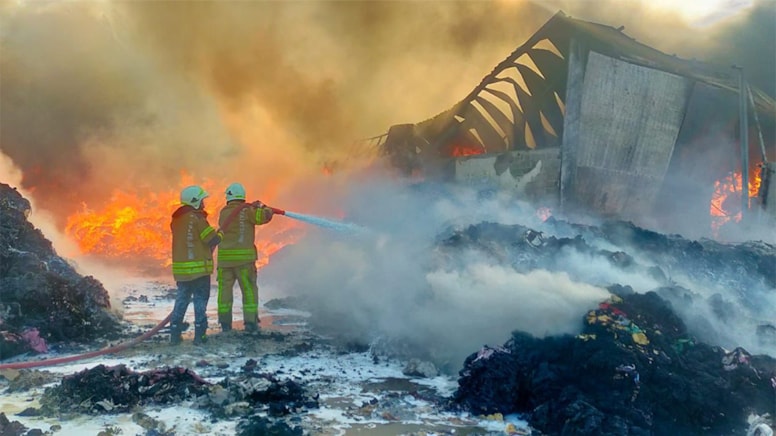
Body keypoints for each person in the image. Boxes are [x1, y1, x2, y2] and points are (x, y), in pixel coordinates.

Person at [216, 182, 273, 333]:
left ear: (228, 197)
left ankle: (225, 324)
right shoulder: (247, 211)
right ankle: (250, 322)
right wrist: (263, 207)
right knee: (248, 290)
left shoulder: (223, 212)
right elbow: (264, 217)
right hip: (244, 262)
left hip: (224, 262)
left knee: (224, 293)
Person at [169, 185, 222, 345]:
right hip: (199, 272)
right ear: (195, 201)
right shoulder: (198, 219)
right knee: (200, 302)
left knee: (181, 301)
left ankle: (174, 335)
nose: (204, 204)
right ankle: (200, 336)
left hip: (182, 272)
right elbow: (211, 239)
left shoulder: (176, 221)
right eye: (202, 201)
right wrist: (220, 234)